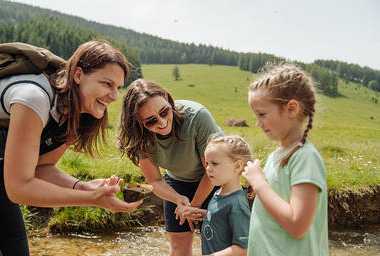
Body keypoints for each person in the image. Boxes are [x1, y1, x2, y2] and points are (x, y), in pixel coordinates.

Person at [0, 40, 143, 256]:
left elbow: (42, 166)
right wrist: (91, 200)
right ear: (78, 75)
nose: (114, 96)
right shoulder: (34, 98)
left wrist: (83, 187)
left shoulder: (72, 112)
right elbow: (19, 188)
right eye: (107, 84)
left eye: (118, 87)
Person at [118, 78, 223, 256]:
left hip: (217, 178)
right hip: (177, 181)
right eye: (151, 121)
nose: (161, 122)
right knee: (178, 245)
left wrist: (193, 207)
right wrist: (177, 198)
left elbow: (213, 172)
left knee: (217, 245)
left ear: (167, 98)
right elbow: (155, 181)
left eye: (164, 112)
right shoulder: (139, 137)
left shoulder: (197, 116)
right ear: (138, 122)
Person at [243, 63, 329, 255]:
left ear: (291, 109)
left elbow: (297, 225)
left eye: (262, 114)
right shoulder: (276, 155)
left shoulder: (305, 158)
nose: (257, 123)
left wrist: (259, 183)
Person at [176, 134, 251, 256]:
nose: (208, 169)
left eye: (215, 163)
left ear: (237, 166)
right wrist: (205, 214)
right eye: (206, 164)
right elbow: (223, 221)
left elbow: (243, 249)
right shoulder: (218, 193)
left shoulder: (237, 204)